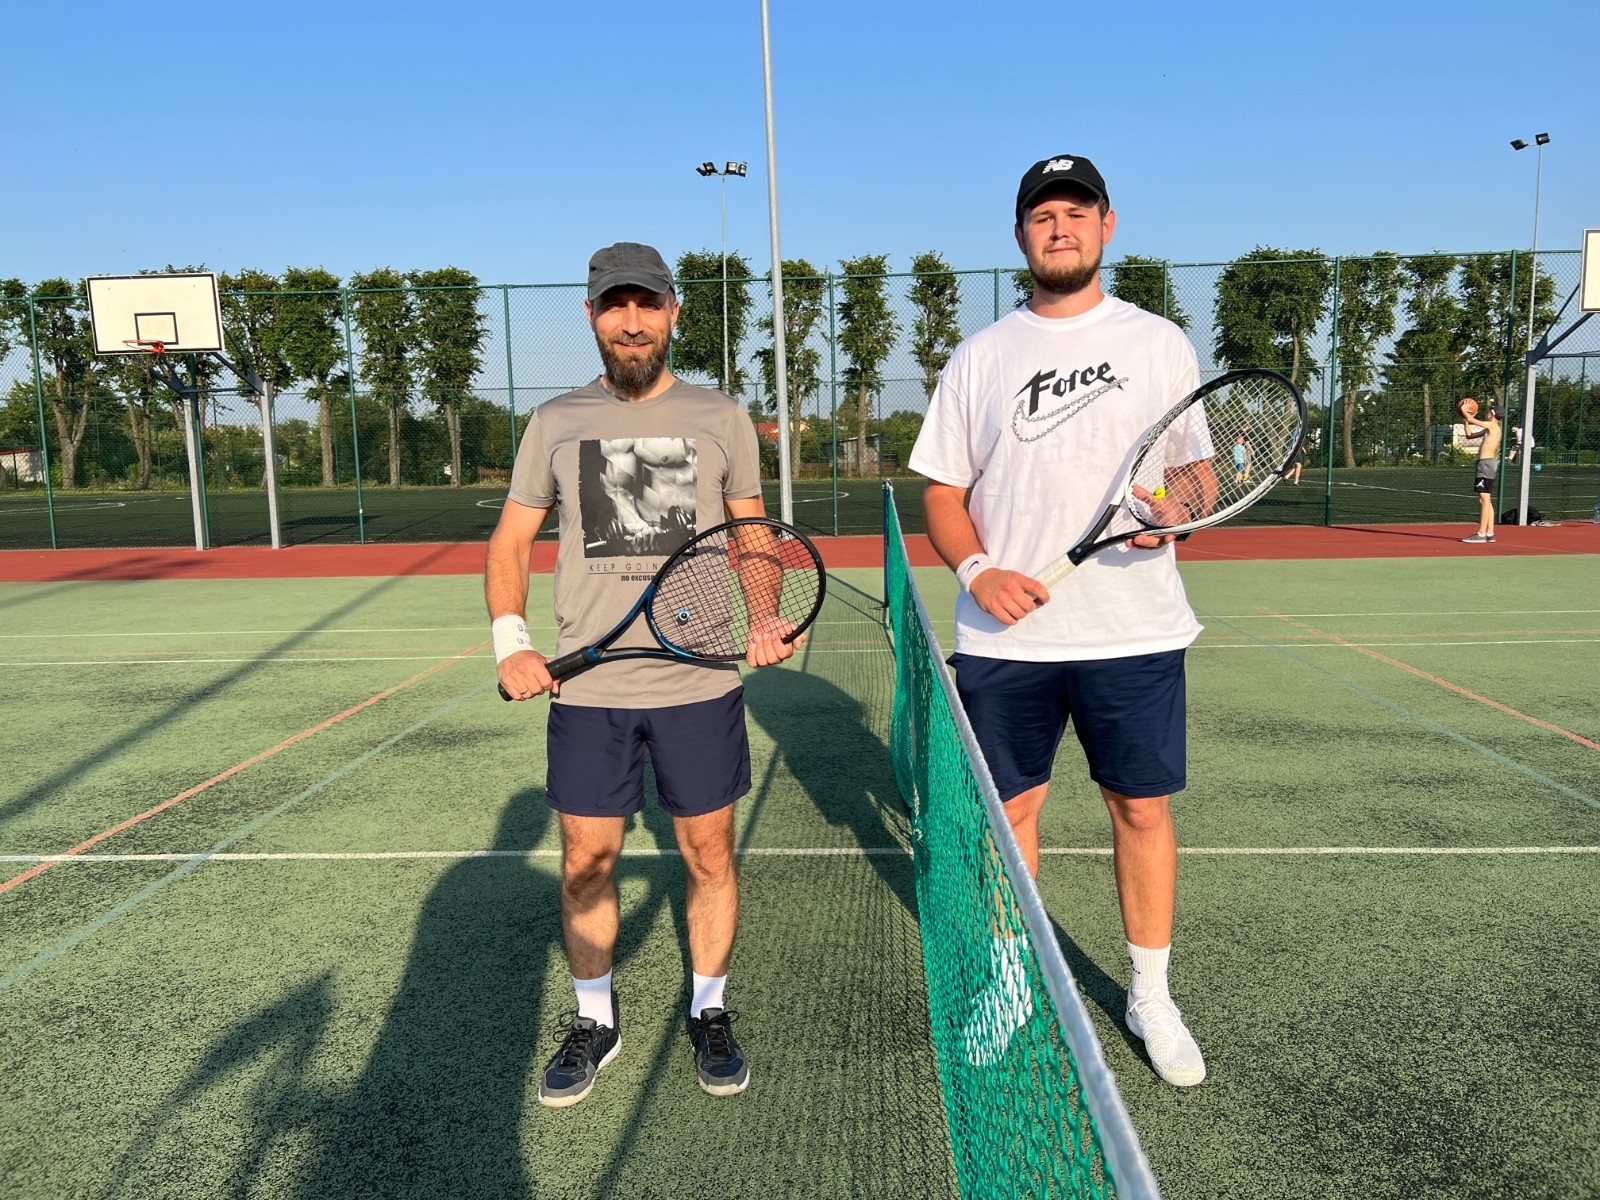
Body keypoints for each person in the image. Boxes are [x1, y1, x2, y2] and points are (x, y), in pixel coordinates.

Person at [908, 154, 1208, 1087]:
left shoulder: (1159, 343)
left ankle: (1150, 995)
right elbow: (943, 493)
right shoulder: (981, 357)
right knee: (1010, 817)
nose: (1061, 227)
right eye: (1044, 215)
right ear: (1021, 235)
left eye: (1077, 212)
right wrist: (978, 570)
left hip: (1135, 628)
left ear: (1107, 226)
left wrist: (1178, 511)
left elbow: (1195, 474)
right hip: (1007, 636)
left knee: (1140, 808)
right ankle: (1012, 980)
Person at [484, 242, 797, 1108]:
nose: (632, 322)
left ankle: (709, 1008)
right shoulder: (554, 422)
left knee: (708, 854)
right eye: (616, 305)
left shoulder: (721, 416)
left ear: (672, 312)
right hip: (589, 691)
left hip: (700, 683)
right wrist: (512, 641)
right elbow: (510, 541)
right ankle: (596, 1019)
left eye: (647, 304)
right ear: (591, 315)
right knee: (586, 862)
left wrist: (763, 614)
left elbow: (753, 536)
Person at [1458, 398, 1501, 543]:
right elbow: (1469, 436)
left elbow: (1472, 419)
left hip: (1486, 464)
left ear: (1492, 414)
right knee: (1486, 499)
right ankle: (1490, 533)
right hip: (1486, 464)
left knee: (1483, 498)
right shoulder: (1488, 429)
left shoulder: (1493, 426)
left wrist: (1464, 410)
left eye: (1488, 411)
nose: (1486, 413)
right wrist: (1466, 422)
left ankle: (1481, 534)